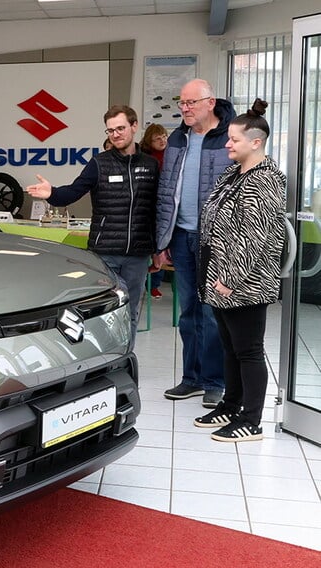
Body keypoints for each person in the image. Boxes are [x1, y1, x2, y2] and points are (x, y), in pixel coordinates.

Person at [193, 99, 286, 442]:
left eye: (234, 140)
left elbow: (253, 237)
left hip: (245, 283)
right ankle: (231, 405)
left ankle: (251, 420)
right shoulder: (234, 174)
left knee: (248, 350)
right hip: (220, 278)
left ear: (256, 142)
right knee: (230, 347)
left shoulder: (265, 181)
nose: (227, 145)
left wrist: (230, 279)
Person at [26, 105, 158, 341]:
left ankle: (125, 354)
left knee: (130, 312)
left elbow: (157, 208)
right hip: (105, 253)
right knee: (103, 313)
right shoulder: (99, 163)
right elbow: (73, 192)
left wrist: (159, 248)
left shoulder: (151, 165)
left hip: (138, 254)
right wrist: (52, 193)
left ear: (134, 126)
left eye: (120, 128)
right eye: (110, 131)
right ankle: (105, 356)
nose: (115, 134)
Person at [154, 79, 236, 408]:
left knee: (212, 313)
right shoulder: (178, 137)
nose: (184, 109)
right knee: (188, 312)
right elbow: (166, 191)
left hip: (215, 240)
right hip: (181, 236)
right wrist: (162, 238)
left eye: (191, 103)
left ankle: (215, 381)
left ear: (210, 102)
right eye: (182, 103)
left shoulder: (230, 136)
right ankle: (192, 378)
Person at [140, 124, 168, 298]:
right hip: (149, 204)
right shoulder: (144, 157)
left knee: (162, 243)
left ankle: (155, 284)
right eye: (157, 138)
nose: (162, 140)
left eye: (164, 136)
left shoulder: (172, 155)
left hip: (165, 204)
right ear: (149, 141)